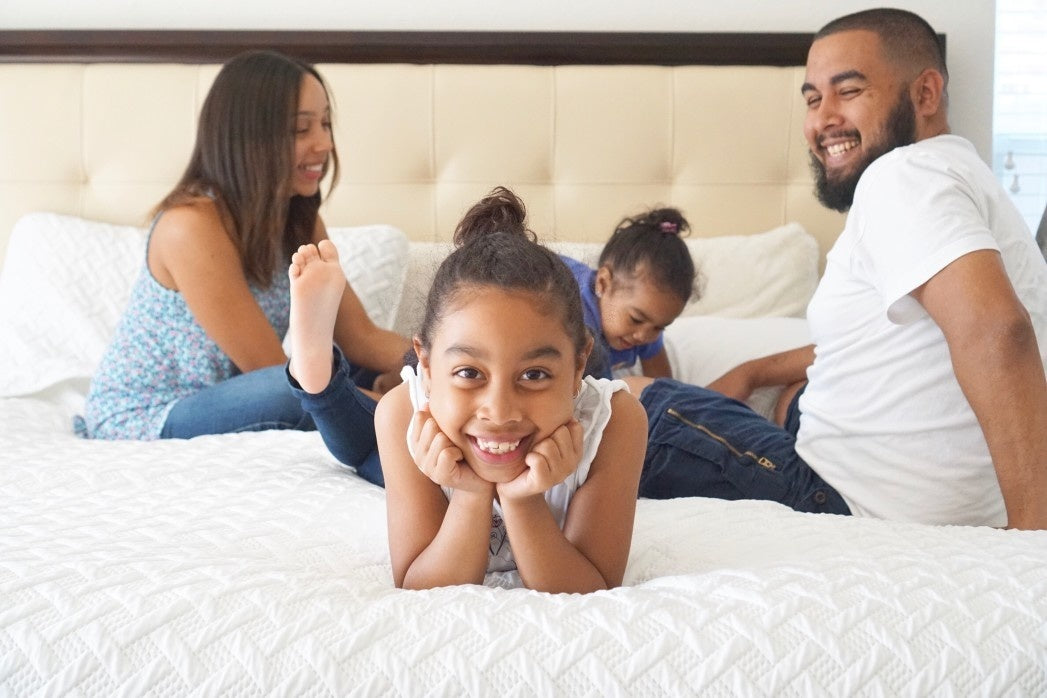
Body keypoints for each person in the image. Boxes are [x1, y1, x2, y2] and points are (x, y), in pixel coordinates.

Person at [627, 8, 1047, 530]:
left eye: (848, 92)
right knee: (795, 397)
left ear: (926, 93)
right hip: (928, 495)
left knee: (629, 401)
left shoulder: (903, 177)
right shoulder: (964, 174)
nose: (822, 119)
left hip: (846, 502)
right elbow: (893, 338)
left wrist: (1033, 540)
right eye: (812, 98)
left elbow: (997, 331)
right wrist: (755, 371)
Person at [287, 186, 647, 591]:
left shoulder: (616, 423)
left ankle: (318, 377)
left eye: (534, 375)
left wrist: (520, 497)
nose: (499, 410)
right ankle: (316, 373)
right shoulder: (405, 412)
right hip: (436, 434)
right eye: (469, 373)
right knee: (360, 449)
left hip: (468, 435)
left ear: (580, 362)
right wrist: (471, 494)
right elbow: (420, 585)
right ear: (423, 361)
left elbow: (590, 589)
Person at [75, 50, 409, 441]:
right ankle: (406, 419)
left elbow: (362, 338)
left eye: (325, 124)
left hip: (234, 394)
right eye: (302, 130)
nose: (324, 144)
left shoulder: (299, 219)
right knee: (290, 386)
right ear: (248, 138)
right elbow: (271, 371)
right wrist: (405, 405)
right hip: (149, 412)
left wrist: (445, 369)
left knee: (362, 367)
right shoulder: (189, 227)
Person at [559, 207, 697, 379]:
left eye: (659, 327)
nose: (643, 336)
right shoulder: (574, 319)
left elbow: (662, 384)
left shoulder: (646, 324)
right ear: (603, 284)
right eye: (636, 319)